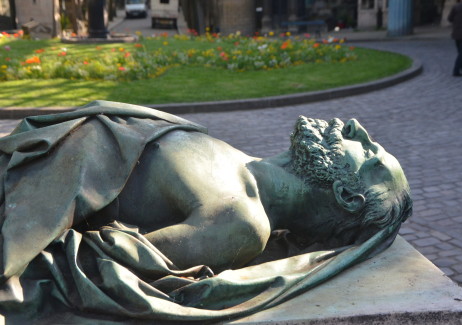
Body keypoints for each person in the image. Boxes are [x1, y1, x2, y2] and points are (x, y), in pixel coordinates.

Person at [0, 101, 412, 323]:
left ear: (346, 195)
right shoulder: (236, 158)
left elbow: (98, 263)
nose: (357, 125)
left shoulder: (240, 225)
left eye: (370, 155)